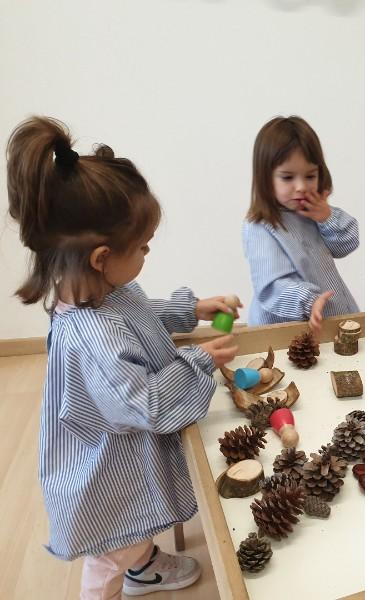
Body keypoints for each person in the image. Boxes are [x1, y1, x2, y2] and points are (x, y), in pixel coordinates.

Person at [6, 116, 238, 599]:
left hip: (117, 445)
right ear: (101, 257)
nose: (147, 254)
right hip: (103, 469)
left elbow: (141, 316)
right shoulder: (93, 335)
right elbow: (146, 404)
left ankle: (143, 566)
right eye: (143, 247)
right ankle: (118, 579)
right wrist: (198, 362)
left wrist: (191, 309)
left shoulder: (105, 290)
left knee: (132, 540)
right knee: (113, 550)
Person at [243, 115, 359, 335]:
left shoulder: (313, 210)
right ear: (265, 178)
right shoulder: (260, 226)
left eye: (310, 176)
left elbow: (347, 245)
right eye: (287, 178)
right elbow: (272, 286)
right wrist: (308, 301)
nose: (301, 187)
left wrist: (327, 217)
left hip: (329, 313)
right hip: (284, 328)